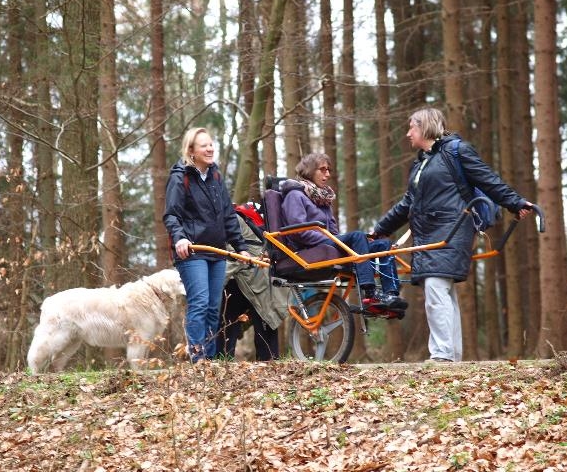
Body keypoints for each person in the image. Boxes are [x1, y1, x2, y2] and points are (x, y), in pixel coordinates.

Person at [372, 106, 533, 362]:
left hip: (453, 228)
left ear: (424, 127)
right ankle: (451, 356)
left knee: (436, 286)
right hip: (427, 234)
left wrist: (515, 202)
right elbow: (407, 204)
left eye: (411, 127)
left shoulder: (456, 150)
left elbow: (487, 179)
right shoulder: (421, 164)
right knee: (441, 289)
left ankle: (443, 356)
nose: (407, 133)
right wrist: (380, 229)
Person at [163, 127, 251, 363]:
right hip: (192, 252)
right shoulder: (180, 177)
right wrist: (180, 237)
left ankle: (209, 361)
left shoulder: (216, 177)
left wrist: (240, 247)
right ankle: (198, 358)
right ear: (191, 151)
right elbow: (171, 215)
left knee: (214, 306)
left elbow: (228, 216)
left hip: (217, 251)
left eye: (211, 144)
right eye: (204, 145)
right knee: (200, 302)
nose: (210, 148)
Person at [280, 152, 408, 314]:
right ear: (310, 171)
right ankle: (369, 294)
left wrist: (358, 243)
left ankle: (391, 296)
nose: (327, 174)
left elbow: (334, 231)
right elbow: (298, 232)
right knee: (356, 236)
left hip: (326, 242)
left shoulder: (322, 198)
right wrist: (333, 238)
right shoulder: (295, 195)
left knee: (382, 244)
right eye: (322, 169)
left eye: (329, 169)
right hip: (307, 247)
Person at [216, 206, 288, 361]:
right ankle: (223, 364)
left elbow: (233, 257)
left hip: (254, 278)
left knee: (263, 325)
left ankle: (269, 365)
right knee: (228, 325)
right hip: (241, 280)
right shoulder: (224, 217)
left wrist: (212, 286)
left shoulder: (228, 219)